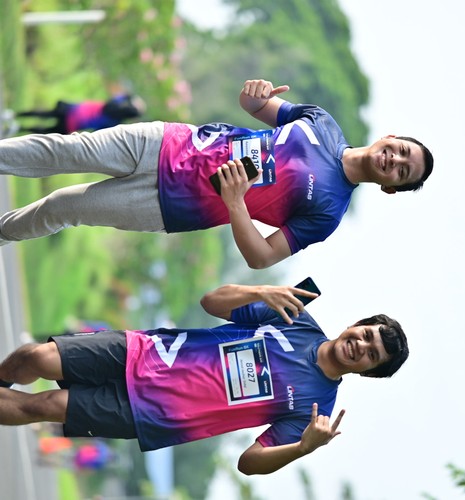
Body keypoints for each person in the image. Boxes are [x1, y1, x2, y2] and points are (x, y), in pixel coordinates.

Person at [0, 78, 434, 268]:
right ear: (389, 137)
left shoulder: (328, 213)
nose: (394, 160)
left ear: (391, 188)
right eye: (400, 151)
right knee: (65, 149)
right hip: (169, 142)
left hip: (168, 205)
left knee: (63, 207)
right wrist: (255, 94)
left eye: (402, 171)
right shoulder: (321, 122)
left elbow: (262, 258)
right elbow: (255, 106)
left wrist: (235, 203)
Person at [0, 281, 409, 475]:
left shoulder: (314, 412)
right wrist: (260, 292)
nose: (361, 346)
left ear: (368, 372)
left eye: (372, 355)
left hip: (154, 413)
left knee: (45, 405)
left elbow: (249, 463)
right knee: (35, 356)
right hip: (150, 351)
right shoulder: (295, 316)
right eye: (367, 335)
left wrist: (303, 448)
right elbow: (211, 302)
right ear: (356, 324)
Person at [11, 94, 146, 135]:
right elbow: (97, 131)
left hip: (73, 110)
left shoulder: (113, 103)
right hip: (73, 124)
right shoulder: (115, 122)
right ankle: (20, 128)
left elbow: (124, 96)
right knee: (48, 131)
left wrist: (132, 99)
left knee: (45, 113)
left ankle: (15, 115)